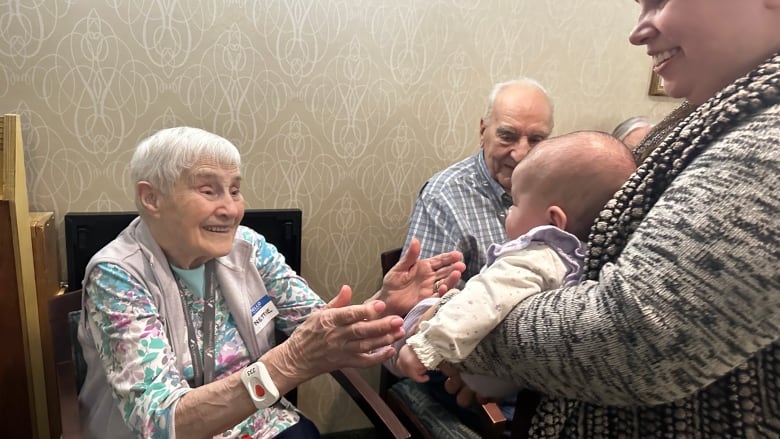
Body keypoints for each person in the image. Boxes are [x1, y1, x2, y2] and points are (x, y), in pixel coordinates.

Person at [437, 0, 780, 436]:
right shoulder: (701, 121)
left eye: (659, 1)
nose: (637, 33)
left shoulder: (766, 142)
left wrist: (458, 330)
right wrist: (503, 367)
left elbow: (634, 341)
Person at [76, 126, 465, 439]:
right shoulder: (116, 275)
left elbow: (315, 327)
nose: (230, 208)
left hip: (253, 422)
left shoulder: (249, 247)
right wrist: (290, 361)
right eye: (208, 189)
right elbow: (160, 423)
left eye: (234, 189)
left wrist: (383, 305)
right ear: (152, 198)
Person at [394, 131, 636, 390]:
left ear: (555, 221)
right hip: (535, 381)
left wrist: (425, 348)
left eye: (516, 203)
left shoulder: (534, 258)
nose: (509, 210)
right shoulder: (593, 260)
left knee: (426, 309)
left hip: (482, 378)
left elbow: (485, 300)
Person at [403, 78, 554, 287]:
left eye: (536, 139)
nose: (521, 154)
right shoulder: (444, 197)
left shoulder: (556, 186)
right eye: (507, 136)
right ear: (483, 132)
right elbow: (423, 298)